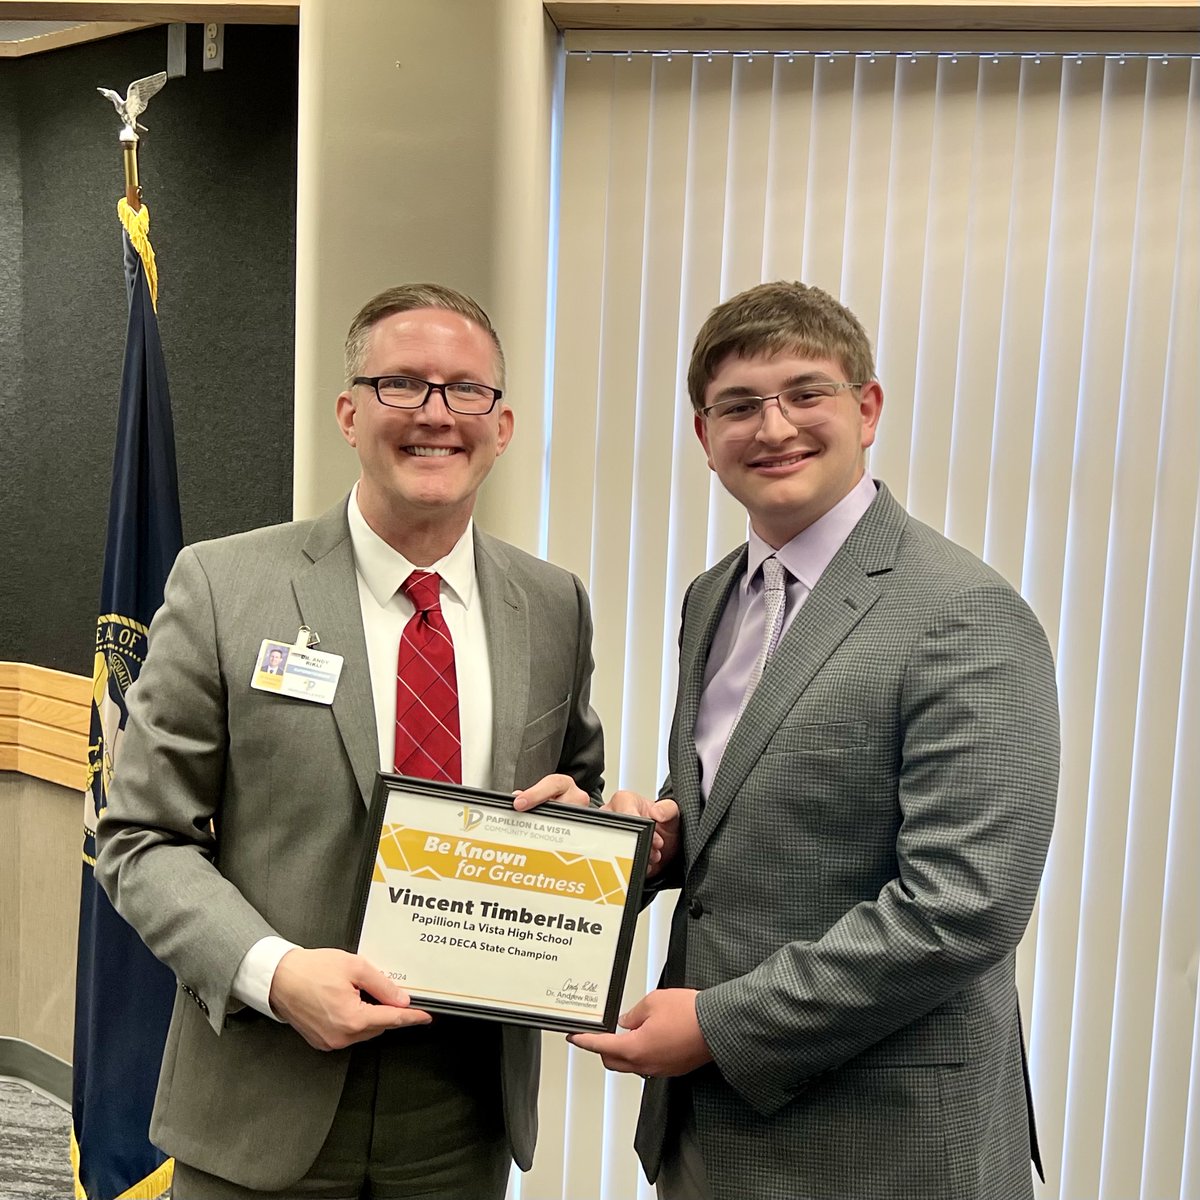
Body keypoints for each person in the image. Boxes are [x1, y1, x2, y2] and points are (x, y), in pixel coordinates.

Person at [96, 283, 604, 1199]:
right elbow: (138, 836)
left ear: (504, 423)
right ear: (349, 411)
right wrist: (275, 973)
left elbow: (580, 795)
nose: (436, 415)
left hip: (462, 1112)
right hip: (261, 1093)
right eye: (402, 384)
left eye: (465, 391)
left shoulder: (554, 605)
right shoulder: (222, 585)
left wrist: (589, 830)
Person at [570, 281, 1059, 1200]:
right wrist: (639, 845)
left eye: (806, 393)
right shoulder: (713, 596)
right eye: (740, 405)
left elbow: (965, 905)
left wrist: (718, 1025)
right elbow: (745, 809)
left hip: (885, 1141)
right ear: (704, 435)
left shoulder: (962, 612)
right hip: (713, 1137)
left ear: (866, 409)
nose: (774, 426)